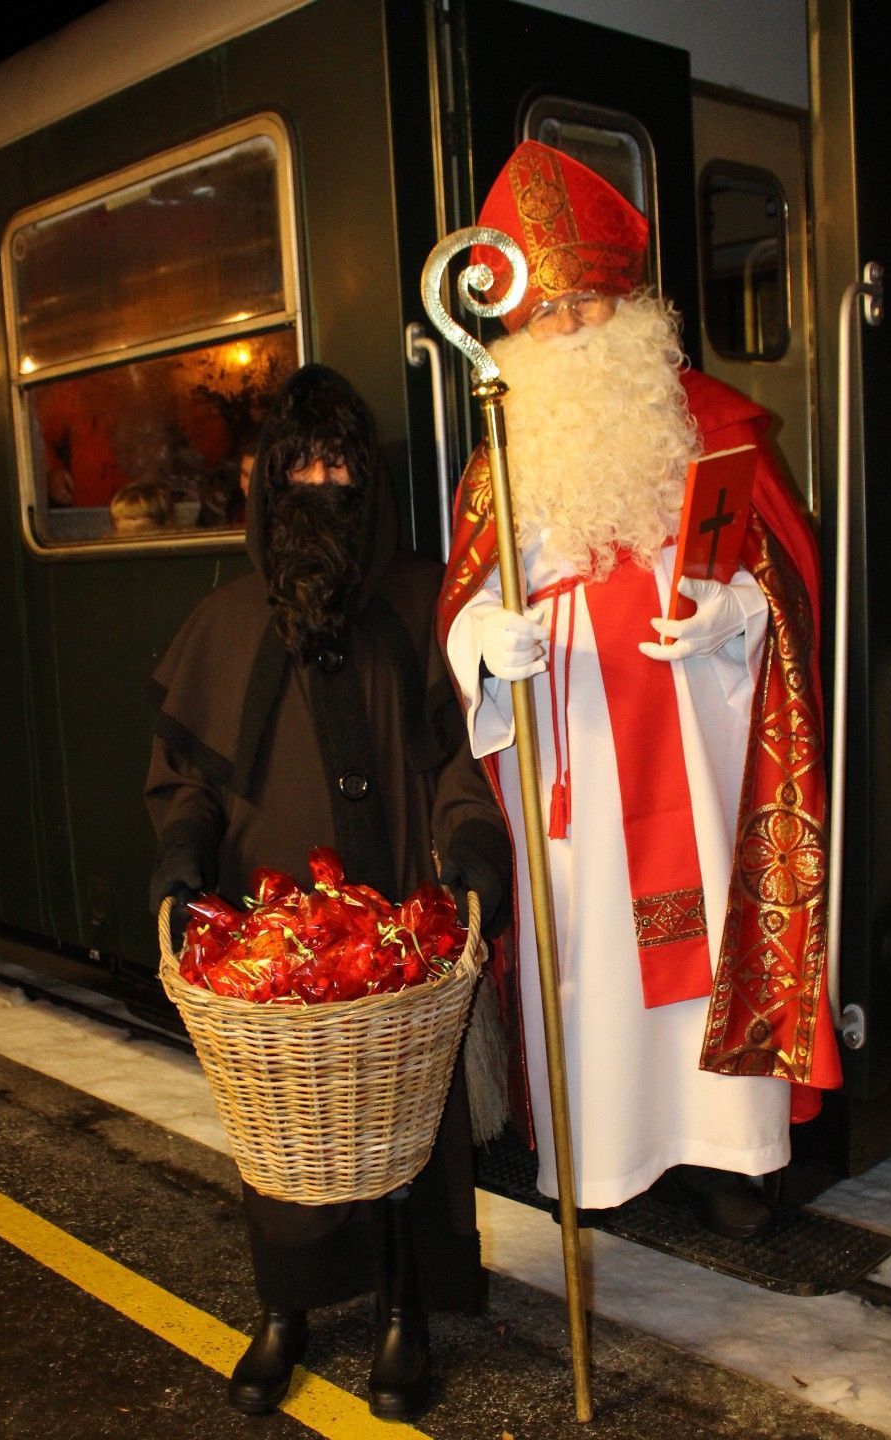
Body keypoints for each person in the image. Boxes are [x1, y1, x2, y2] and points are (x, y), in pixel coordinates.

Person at [437, 141, 842, 1241]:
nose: (569, 329)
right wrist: (483, 639)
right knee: (593, 963)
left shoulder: (711, 424)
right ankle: (608, 1158)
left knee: (709, 933)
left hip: (701, 749)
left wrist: (738, 618)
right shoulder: (497, 457)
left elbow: (789, 589)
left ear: (628, 302)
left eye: (587, 303)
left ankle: (733, 1156)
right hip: (569, 755)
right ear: (515, 328)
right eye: (547, 310)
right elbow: (461, 598)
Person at [145, 364, 511, 1421]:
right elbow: (192, 783)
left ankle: (404, 1306)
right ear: (268, 482)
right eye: (302, 464)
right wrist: (179, 863)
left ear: (373, 477)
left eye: (343, 463)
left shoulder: (417, 597)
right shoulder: (221, 621)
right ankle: (287, 1312)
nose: (323, 482)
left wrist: (469, 853)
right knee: (284, 1134)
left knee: (402, 1126)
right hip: (276, 943)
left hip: (396, 922)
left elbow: (458, 763)